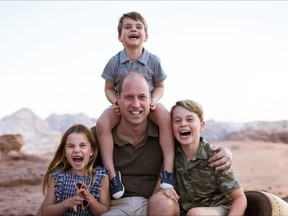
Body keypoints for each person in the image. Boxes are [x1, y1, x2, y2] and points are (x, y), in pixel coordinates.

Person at [91, 72, 233, 215]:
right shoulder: (100, 135)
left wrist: (225, 151)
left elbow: (193, 144)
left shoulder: (166, 133)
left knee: (164, 203)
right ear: (117, 100)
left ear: (150, 100)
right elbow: (72, 151)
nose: (136, 104)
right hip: (116, 207)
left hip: (153, 204)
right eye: (129, 97)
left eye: (142, 97)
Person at [96, 11, 175, 199]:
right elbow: (108, 88)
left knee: (165, 117)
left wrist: (154, 99)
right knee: (102, 123)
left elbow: (160, 86)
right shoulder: (114, 62)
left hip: (147, 103)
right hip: (123, 104)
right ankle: (113, 176)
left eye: (138, 27)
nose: (133, 29)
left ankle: (168, 170)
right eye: (128, 27)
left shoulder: (153, 61)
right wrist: (115, 101)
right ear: (120, 36)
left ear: (145, 36)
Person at [150, 99, 247, 216]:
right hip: (183, 211)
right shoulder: (172, 156)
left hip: (216, 210)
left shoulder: (216, 157)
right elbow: (157, 193)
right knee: (160, 202)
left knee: (196, 214)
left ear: (201, 125)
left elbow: (240, 198)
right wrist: (164, 192)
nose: (183, 124)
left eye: (189, 119)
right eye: (177, 121)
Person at [39, 124, 110, 216]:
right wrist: (66, 203)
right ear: (64, 152)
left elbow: (105, 212)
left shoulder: (101, 177)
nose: (76, 150)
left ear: (92, 151)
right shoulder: (58, 177)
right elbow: (47, 212)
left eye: (82, 145)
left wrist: (89, 198)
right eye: (71, 146)